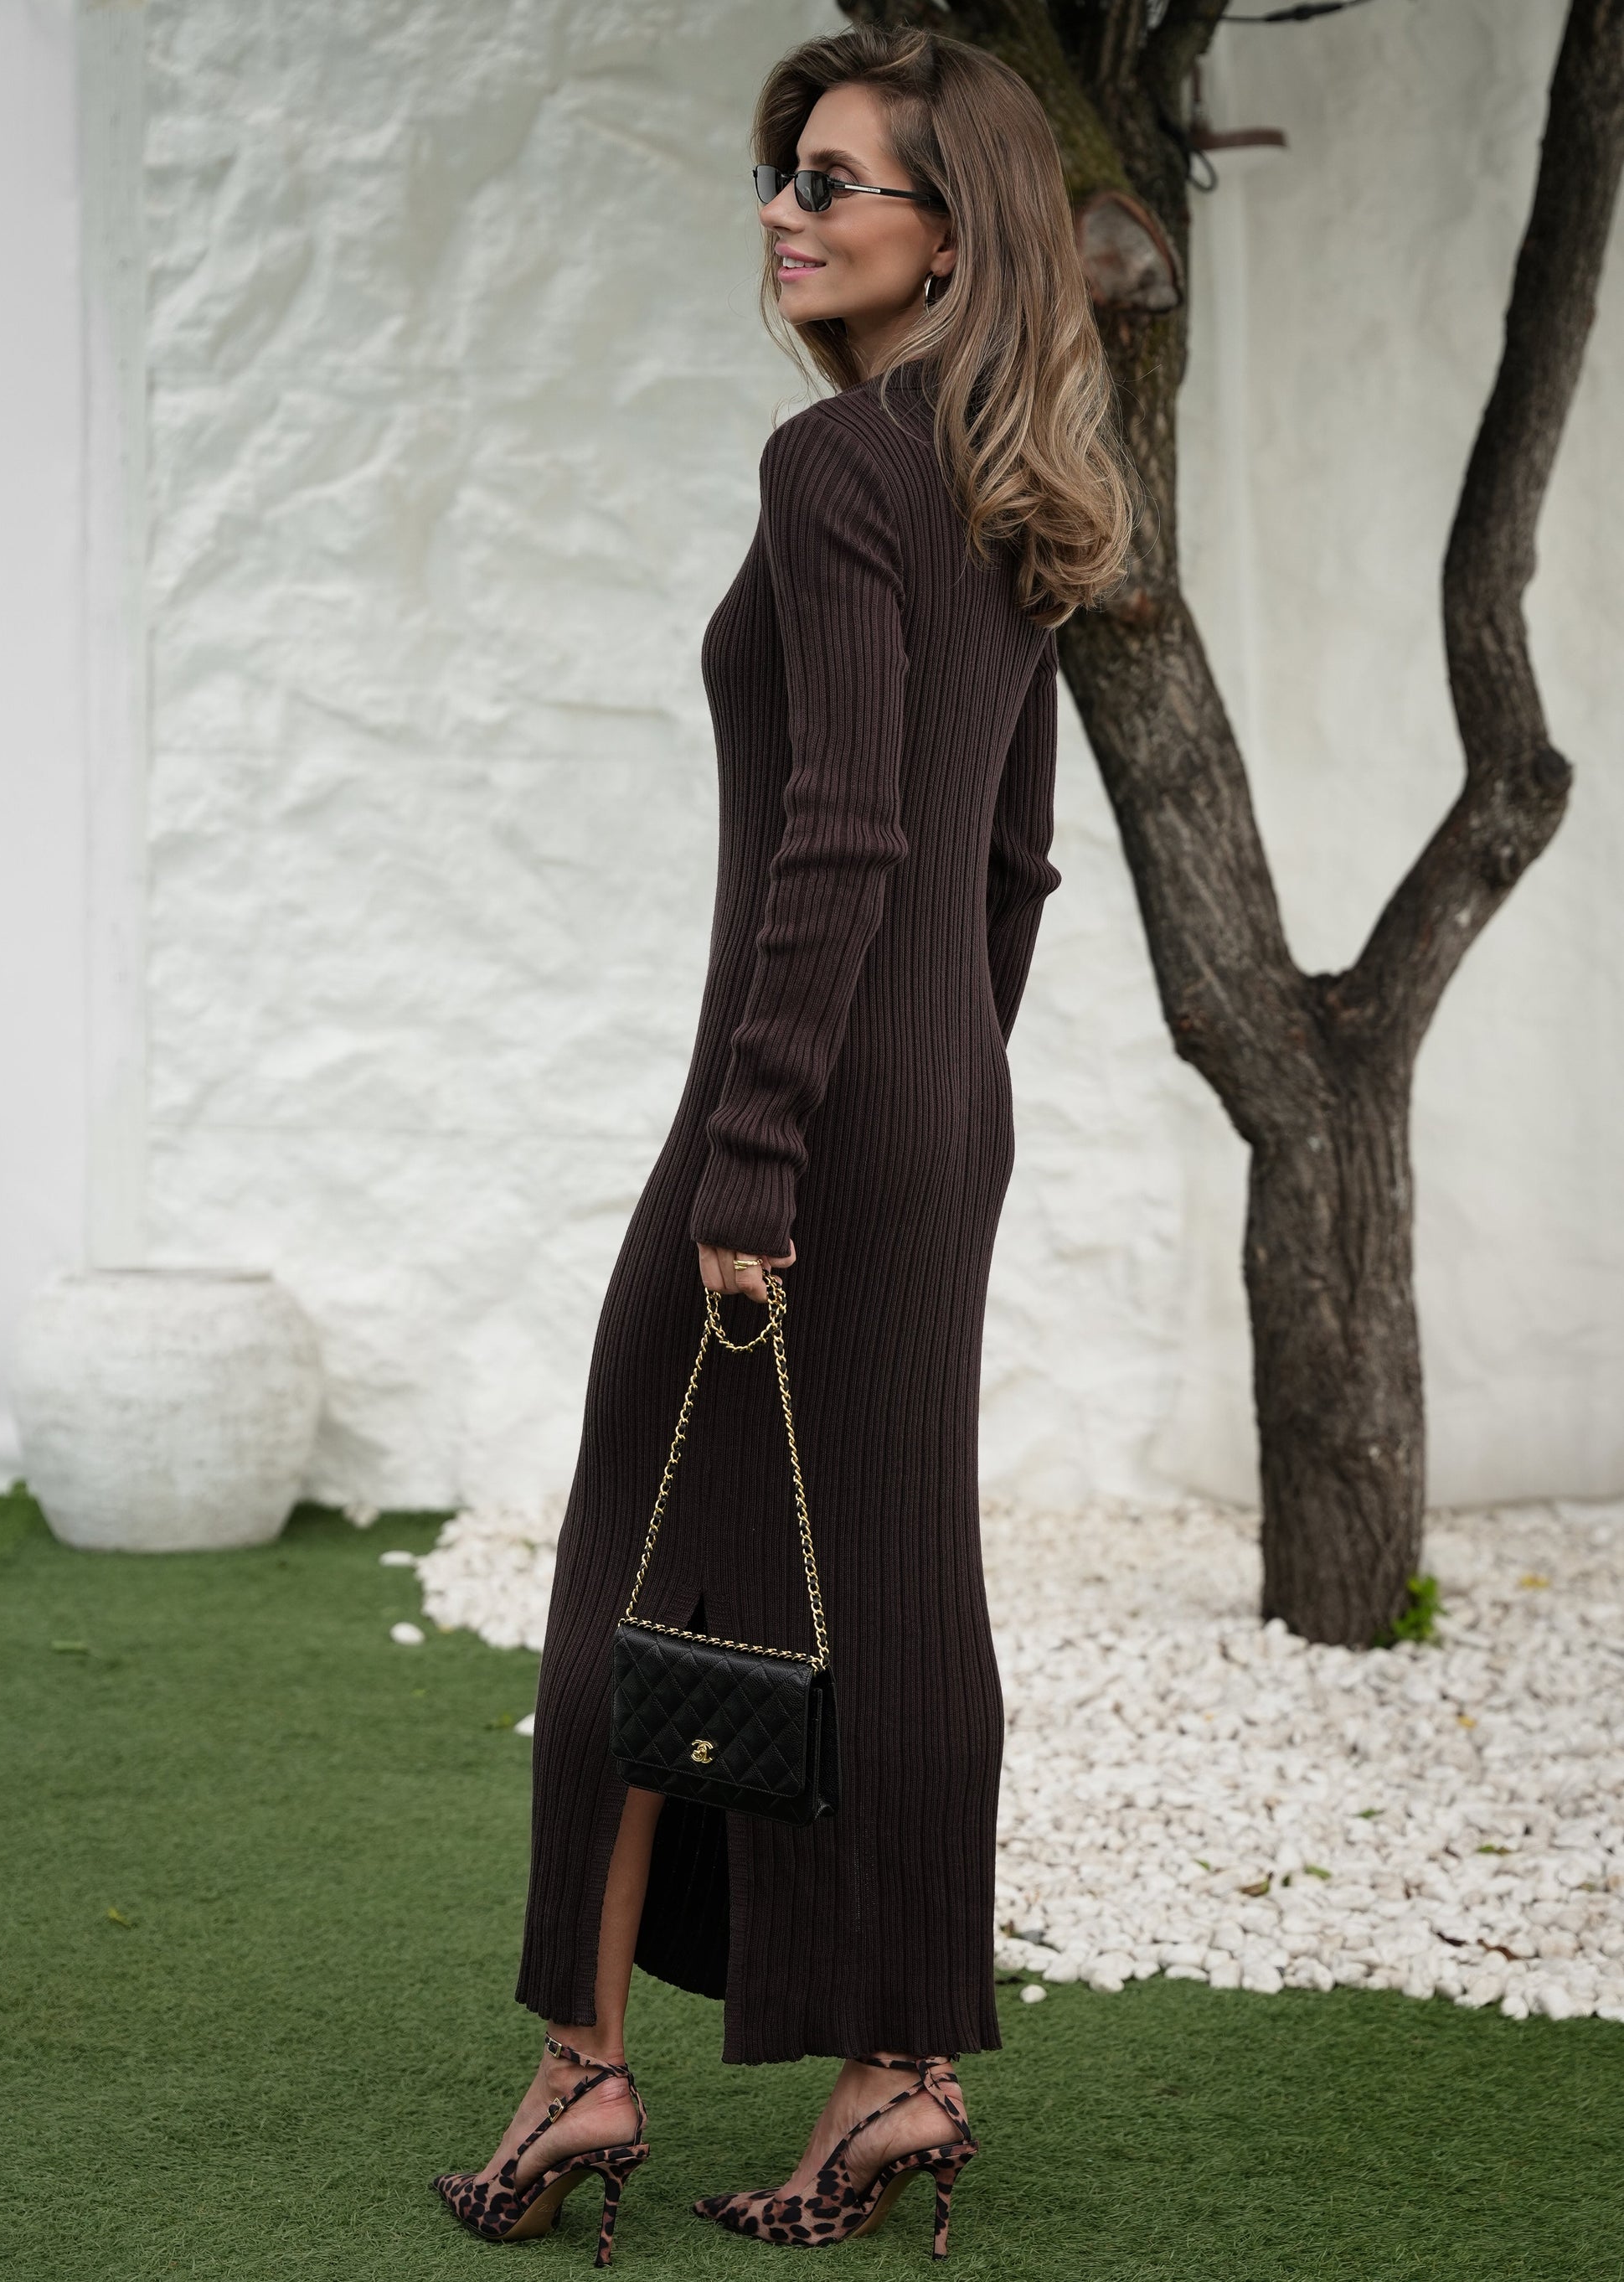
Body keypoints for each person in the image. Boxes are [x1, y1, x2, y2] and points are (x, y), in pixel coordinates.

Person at [432, 22, 1131, 2266]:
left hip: (804, 1114)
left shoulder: (836, 461)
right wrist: (936, 1083)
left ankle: (582, 2065)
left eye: (836, 182)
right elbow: (1006, 867)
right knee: (893, 1583)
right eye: (782, 174)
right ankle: (894, 2071)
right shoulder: (1008, 486)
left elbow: (842, 831)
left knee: (629, 1573)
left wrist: (759, 1154)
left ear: (955, 236)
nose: (787, 214)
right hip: (926, 1106)